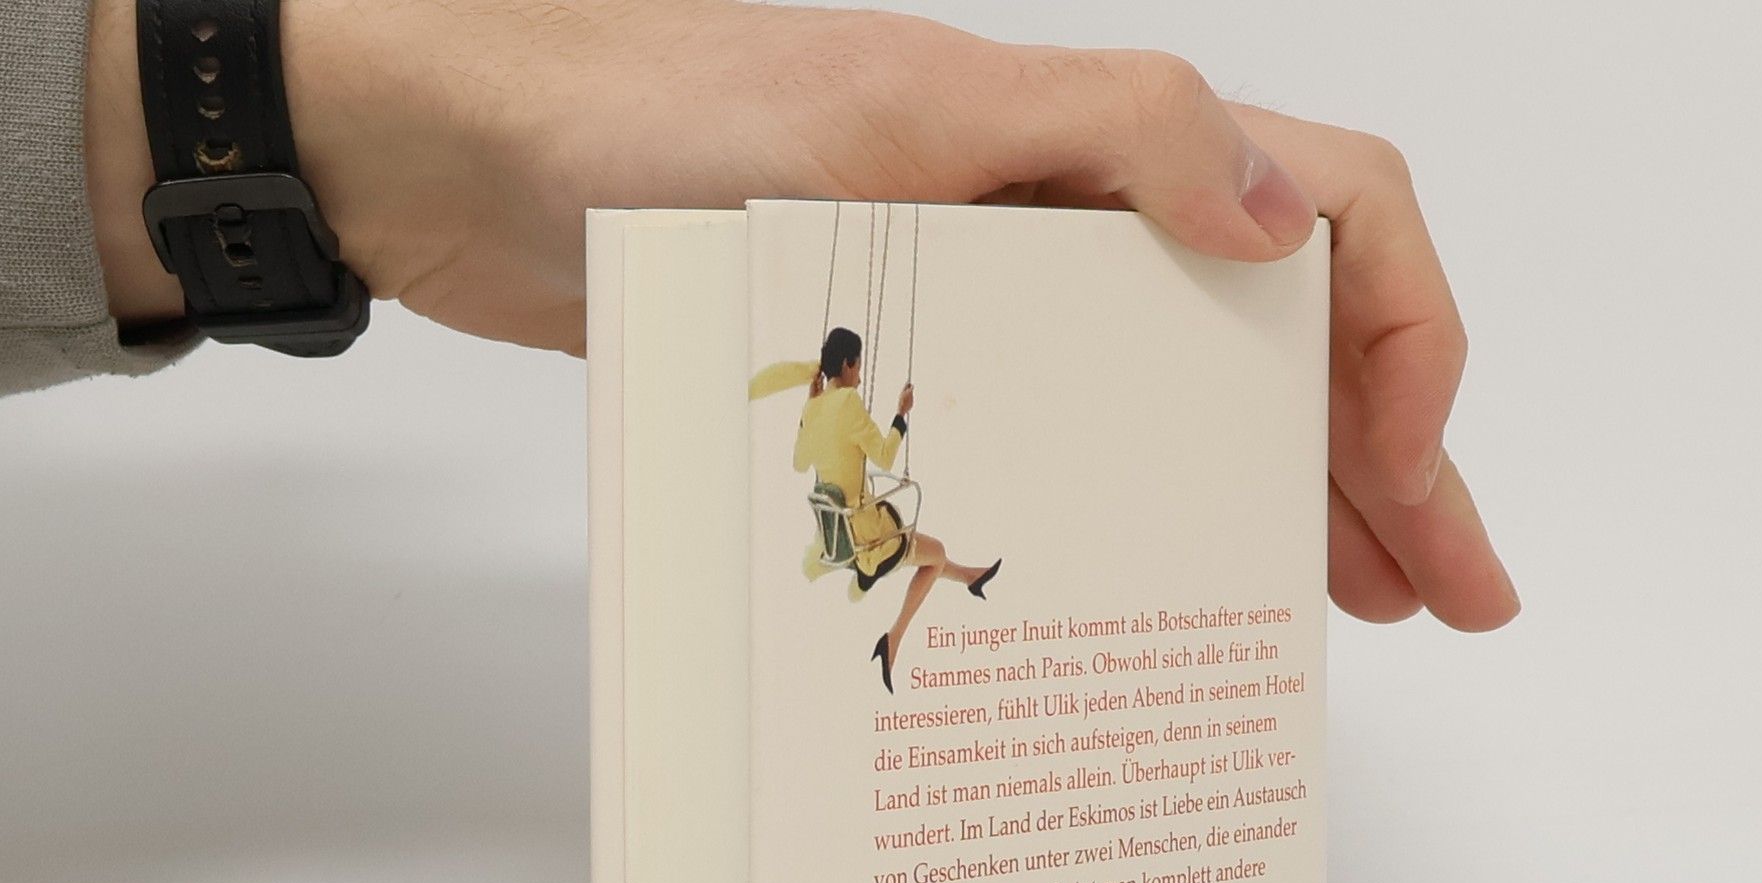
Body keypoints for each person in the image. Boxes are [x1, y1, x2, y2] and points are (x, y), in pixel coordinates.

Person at [0, 0, 1517, 632]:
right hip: (841, 525)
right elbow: (817, 436)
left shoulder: (836, 402)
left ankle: (931, 601)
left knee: (928, 559)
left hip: (856, 508)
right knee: (912, 563)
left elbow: (829, 420)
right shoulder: (826, 414)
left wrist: (378, 141)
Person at [788, 324, 1001, 694]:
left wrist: (809, 408)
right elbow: (885, 457)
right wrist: (901, 413)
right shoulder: (848, 402)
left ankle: (971, 577)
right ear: (847, 364)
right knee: (936, 555)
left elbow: (799, 462)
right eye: (858, 367)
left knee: (932, 557)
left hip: (836, 539)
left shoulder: (814, 406)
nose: (859, 377)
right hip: (868, 539)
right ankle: (893, 640)